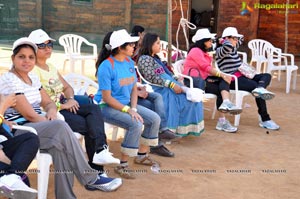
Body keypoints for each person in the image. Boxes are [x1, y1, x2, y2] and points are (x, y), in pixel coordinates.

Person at [0, 37, 122, 199]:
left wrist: (51, 111)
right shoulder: (9, 79)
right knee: (60, 127)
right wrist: (51, 121)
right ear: (13, 58)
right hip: (21, 131)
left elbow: (48, 102)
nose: (26, 61)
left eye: (31, 57)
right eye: (21, 56)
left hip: (38, 126)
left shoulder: (33, 78)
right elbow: (29, 114)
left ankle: (66, 196)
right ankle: (90, 177)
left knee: (60, 149)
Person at [28, 29, 120, 177]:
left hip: (66, 104)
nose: (48, 48)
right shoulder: (32, 71)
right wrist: (63, 105)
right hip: (53, 113)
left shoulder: (50, 67)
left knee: (92, 107)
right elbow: (38, 101)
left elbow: (67, 87)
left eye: (50, 44)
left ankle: (100, 154)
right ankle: (97, 166)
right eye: (42, 45)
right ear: (32, 48)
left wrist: (70, 99)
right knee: (90, 124)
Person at [94, 29, 160, 179]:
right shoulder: (106, 66)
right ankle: (122, 165)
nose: (134, 47)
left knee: (154, 119)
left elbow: (133, 89)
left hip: (126, 105)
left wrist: (134, 108)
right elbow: (107, 98)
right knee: (135, 124)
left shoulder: (130, 62)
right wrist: (128, 110)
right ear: (119, 47)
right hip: (106, 107)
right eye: (130, 44)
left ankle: (141, 155)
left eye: (133, 44)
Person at [137, 32, 204, 137]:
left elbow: (168, 73)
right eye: (158, 43)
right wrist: (172, 85)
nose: (160, 45)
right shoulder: (145, 59)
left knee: (193, 99)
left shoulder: (156, 58)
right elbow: (152, 77)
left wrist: (178, 82)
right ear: (150, 44)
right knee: (183, 101)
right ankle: (169, 130)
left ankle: (181, 129)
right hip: (159, 88)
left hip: (169, 85)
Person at [216, 27, 279, 130]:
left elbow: (242, 39)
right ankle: (265, 119)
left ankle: (260, 88)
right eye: (234, 38)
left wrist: (233, 38)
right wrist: (223, 40)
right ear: (226, 39)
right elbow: (227, 46)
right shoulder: (221, 50)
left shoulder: (233, 47)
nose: (237, 40)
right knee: (255, 87)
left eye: (236, 38)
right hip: (234, 80)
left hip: (244, 75)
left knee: (266, 76)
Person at [183, 28, 242, 133]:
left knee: (224, 80)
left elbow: (208, 70)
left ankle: (226, 103)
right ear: (203, 41)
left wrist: (222, 75)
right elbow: (206, 68)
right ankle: (222, 120)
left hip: (203, 79)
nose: (212, 42)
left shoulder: (203, 52)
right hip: (194, 82)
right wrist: (221, 74)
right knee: (223, 80)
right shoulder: (196, 51)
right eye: (210, 40)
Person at [0, 94, 39, 199]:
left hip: (5, 148)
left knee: (31, 138)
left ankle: (12, 176)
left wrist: (3, 121)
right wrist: (3, 106)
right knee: (22, 185)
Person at [136, 84, 181, 157]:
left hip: (138, 91)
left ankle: (162, 132)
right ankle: (157, 142)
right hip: (128, 97)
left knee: (158, 98)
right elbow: (154, 77)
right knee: (153, 108)